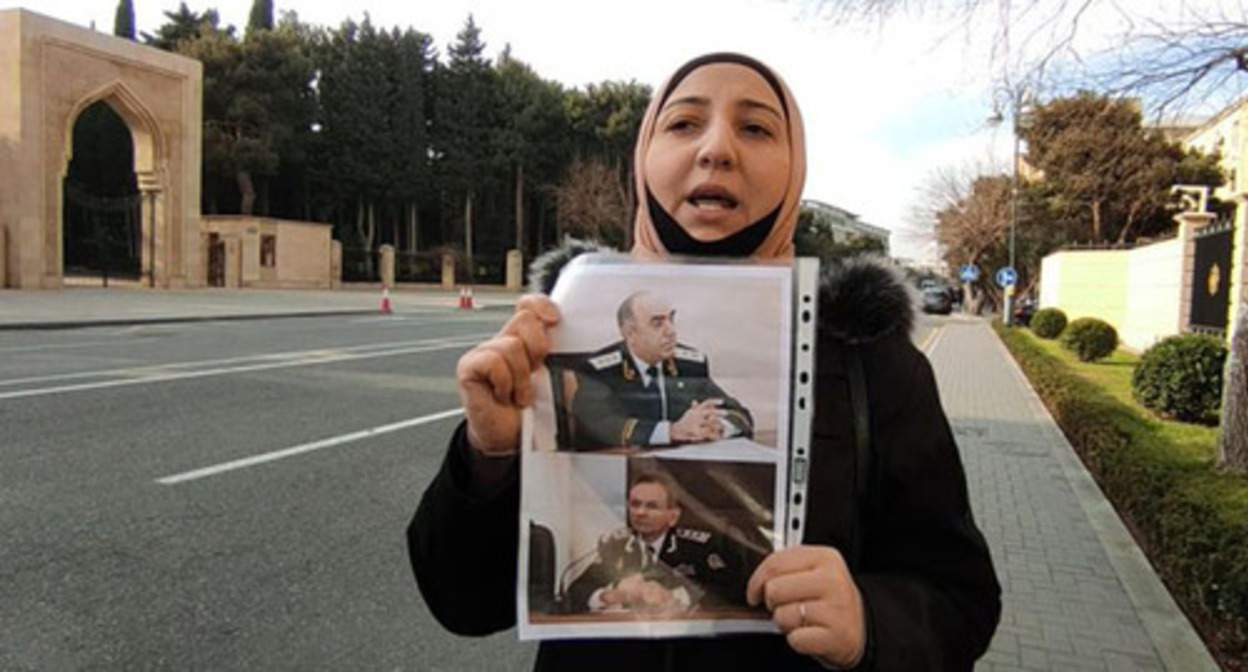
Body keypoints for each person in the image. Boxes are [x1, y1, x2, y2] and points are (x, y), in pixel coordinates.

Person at [408, 52, 1001, 670]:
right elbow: (464, 603)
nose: (717, 149)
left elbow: (962, 599)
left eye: (756, 128)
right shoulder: (559, 343)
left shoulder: (868, 360)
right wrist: (490, 457)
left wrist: (870, 621)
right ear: (643, 159)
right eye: (685, 123)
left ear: (795, 167)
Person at [566, 291, 753, 450]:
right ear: (630, 333)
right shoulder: (600, 370)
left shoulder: (689, 364)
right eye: (657, 323)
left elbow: (739, 414)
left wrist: (718, 427)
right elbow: (600, 426)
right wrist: (672, 431)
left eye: (671, 319)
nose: (671, 331)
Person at [563, 474, 759, 614]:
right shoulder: (618, 546)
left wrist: (679, 597)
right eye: (635, 504)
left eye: (651, 506)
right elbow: (574, 592)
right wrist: (610, 595)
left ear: (673, 516)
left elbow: (732, 589)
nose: (640, 513)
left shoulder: (698, 546)